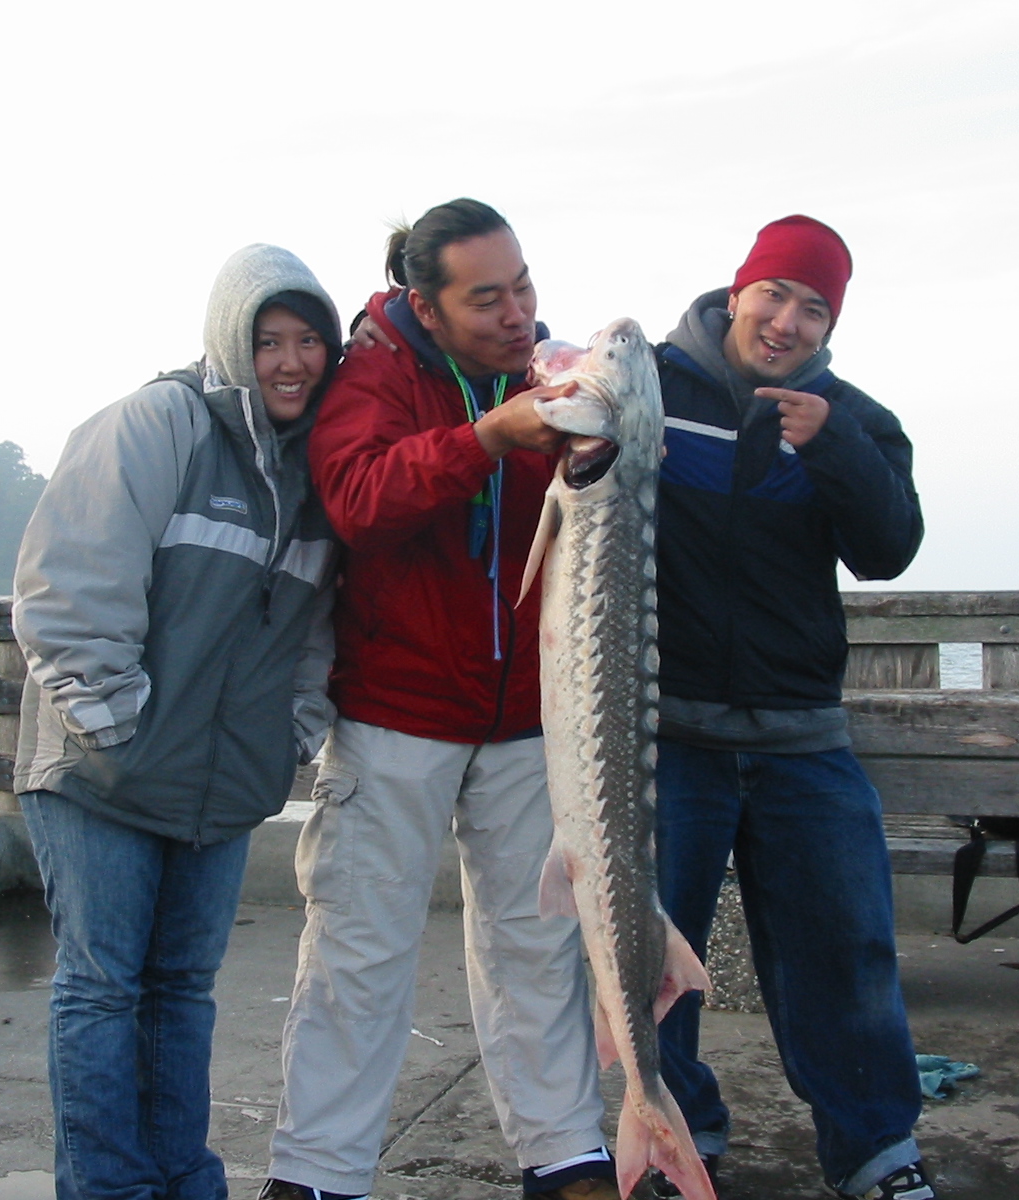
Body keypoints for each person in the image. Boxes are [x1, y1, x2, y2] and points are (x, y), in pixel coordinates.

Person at [260, 198, 620, 1200]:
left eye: (525, 286)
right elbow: (358, 499)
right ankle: (318, 1173)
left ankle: (564, 1152)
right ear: (424, 301)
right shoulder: (370, 371)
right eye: (487, 297)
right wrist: (489, 436)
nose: (516, 312)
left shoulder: (548, 370)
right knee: (359, 952)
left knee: (537, 945)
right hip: (394, 716)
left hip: (525, 724)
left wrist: (597, 425)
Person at [11, 243, 342, 1200]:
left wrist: (289, 739)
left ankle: (184, 1180)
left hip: (220, 788)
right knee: (102, 989)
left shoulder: (317, 472)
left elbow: (317, 636)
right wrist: (117, 729)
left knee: (182, 997)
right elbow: (65, 587)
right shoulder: (158, 425)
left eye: (308, 341)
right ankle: (110, 1188)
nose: (289, 361)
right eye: (268, 340)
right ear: (230, 340)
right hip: (100, 778)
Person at [649, 215, 932, 1200]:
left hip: (800, 739)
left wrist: (834, 446)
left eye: (813, 309)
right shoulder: (648, 384)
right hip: (666, 737)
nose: (786, 322)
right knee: (655, 968)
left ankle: (875, 1156)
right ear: (739, 288)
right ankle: (680, 1142)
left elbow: (888, 548)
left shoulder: (853, 417)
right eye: (775, 293)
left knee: (844, 958)